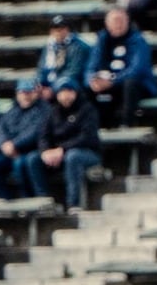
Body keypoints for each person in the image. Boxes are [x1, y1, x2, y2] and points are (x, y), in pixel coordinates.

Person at [17, 79, 102, 213]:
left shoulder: (88, 109)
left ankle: (73, 204)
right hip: (58, 153)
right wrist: (45, 151)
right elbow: (43, 136)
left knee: (73, 157)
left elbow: (86, 137)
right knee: (33, 158)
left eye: (69, 91)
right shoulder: (52, 111)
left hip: (87, 152)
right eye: (62, 92)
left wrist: (62, 150)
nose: (65, 95)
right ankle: (44, 201)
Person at [86, 6, 157, 127]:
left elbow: (137, 70)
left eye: (120, 21)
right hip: (109, 83)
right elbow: (91, 66)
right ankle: (94, 126)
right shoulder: (102, 39)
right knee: (85, 88)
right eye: (114, 21)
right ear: (107, 24)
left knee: (130, 83)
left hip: (137, 85)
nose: (117, 25)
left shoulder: (138, 40)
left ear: (127, 21)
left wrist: (113, 81)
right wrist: (92, 80)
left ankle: (127, 125)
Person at [0, 76, 49, 199]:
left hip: (32, 150)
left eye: (29, 92)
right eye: (22, 92)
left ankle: (30, 197)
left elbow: (35, 132)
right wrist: (3, 144)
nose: (25, 95)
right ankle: (6, 199)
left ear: (36, 92)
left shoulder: (44, 109)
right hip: (10, 152)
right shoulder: (13, 109)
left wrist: (14, 144)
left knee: (22, 162)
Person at [35, 14, 89, 101]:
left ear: (67, 29)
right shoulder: (49, 46)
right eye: (55, 30)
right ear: (51, 31)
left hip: (71, 86)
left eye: (62, 29)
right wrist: (39, 84)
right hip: (49, 86)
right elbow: (41, 68)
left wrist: (53, 88)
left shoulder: (78, 46)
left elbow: (73, 72)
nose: (58, 32)